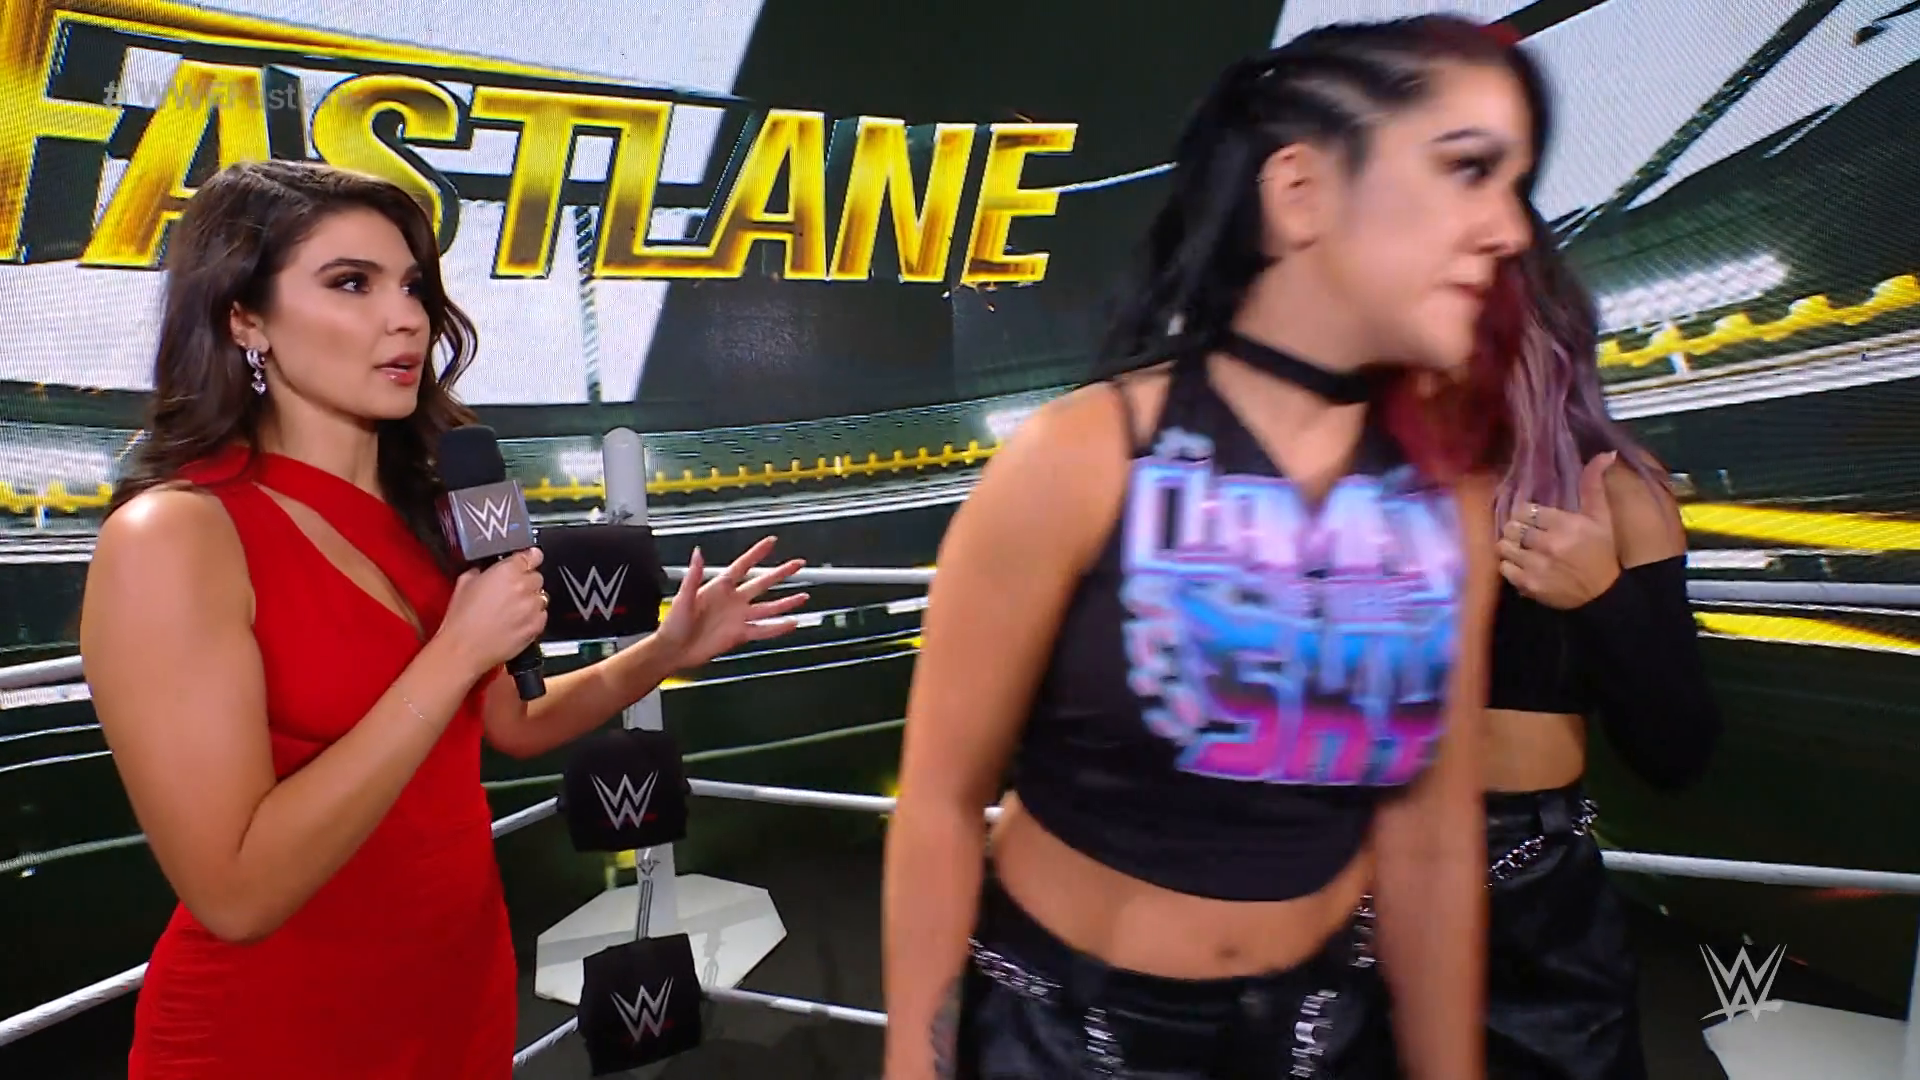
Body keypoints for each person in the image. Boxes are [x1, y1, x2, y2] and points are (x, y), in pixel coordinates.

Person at [882, 15, 1551, 1080]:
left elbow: (1427, 837)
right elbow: (940, 805)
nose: (1510, 229)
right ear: (1302, 190)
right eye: (1467, 169)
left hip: (1316, 1036)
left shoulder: (1446, 507)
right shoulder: (1079, 459)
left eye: (1515, 184)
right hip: (1058, 1040)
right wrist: (915, 1066)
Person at [80, 159, 810, 1079]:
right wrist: (455, 651)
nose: (407, 319)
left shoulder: (430, 513)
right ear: (244, 318)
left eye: (413, 286)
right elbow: (236, 894)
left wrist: (666, 649)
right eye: (352, 283)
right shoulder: (175, 536)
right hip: (277, 1034)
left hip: (457, 995)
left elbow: (513, 722)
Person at [1481, 220, 1721, 1079]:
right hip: (1344, 877)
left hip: (1526, 891)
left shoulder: (1611, 490)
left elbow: (1676, 751)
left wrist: (1603, 600)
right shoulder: (1349, 478)